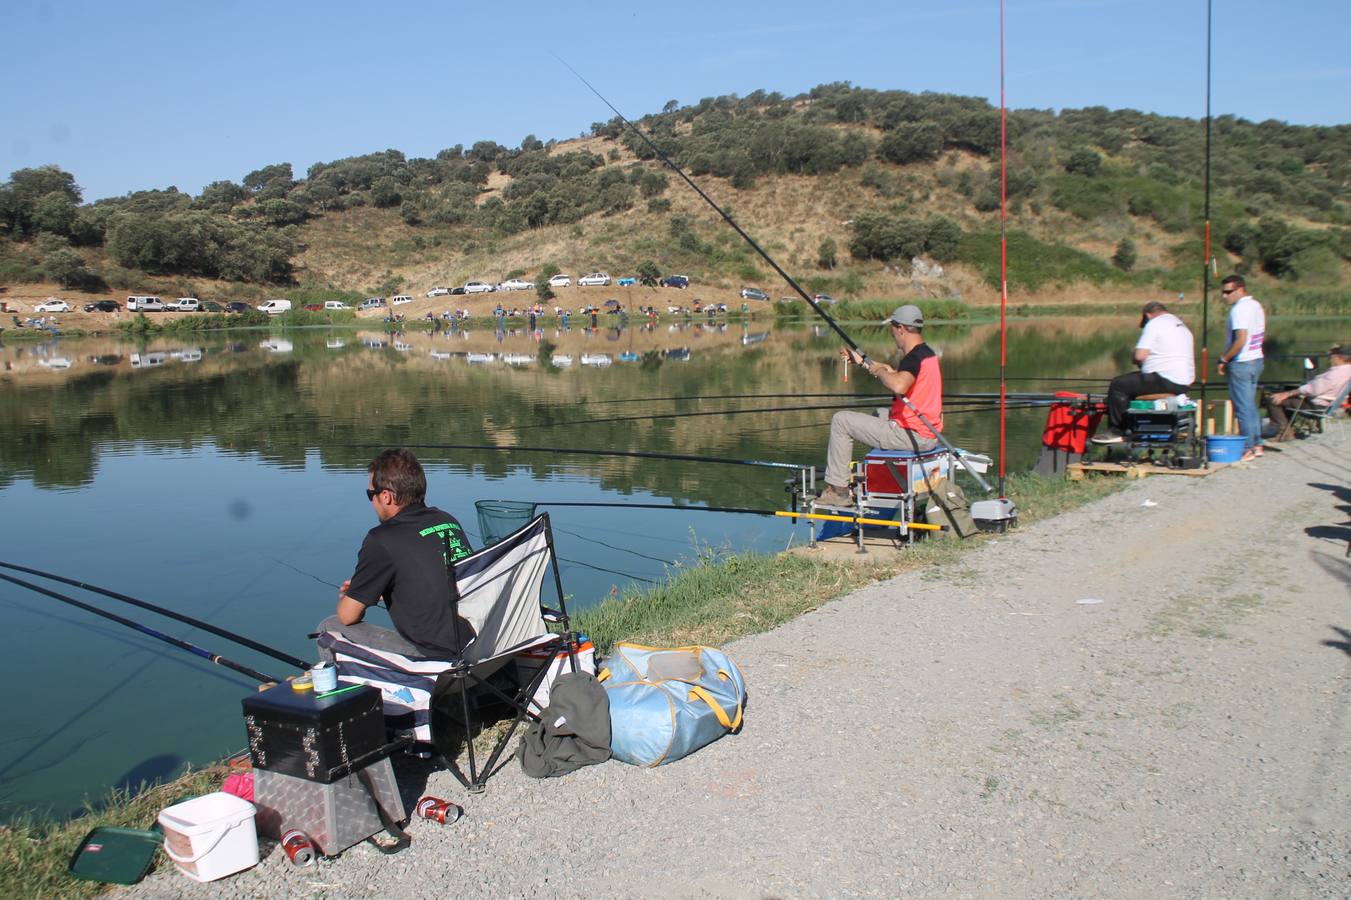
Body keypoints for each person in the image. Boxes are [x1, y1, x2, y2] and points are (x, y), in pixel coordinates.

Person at [317, 448, 474, 662]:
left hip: (438, 658)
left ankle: (340, 692)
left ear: (386, 496)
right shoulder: (446, 520)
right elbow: (441, 578)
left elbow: (347, 616)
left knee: (329, 626)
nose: (372, 502)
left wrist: (354, 595)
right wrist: (377, 589)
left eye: (370, 495)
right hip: (474, 643)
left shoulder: (381, 540)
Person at [818, 305, 942, 507]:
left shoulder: (913, 358)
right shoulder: (926, 353)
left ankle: (838, 490)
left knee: (841, 420)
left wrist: (881, 372)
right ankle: (879, 474)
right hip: (928, 433)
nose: (892, 335)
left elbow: (898, 384)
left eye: (892, 329)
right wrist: (863, 362)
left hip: (912, 436)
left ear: (901, 328)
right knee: (879, 414)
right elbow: (897, 374)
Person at [1091, 301, 1195, 444]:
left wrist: (1135, 358)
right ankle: (1134, 428)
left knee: (1118, 384)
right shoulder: (1180, 325)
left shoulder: (1154, 324)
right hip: (1184, 382)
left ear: (1147, 316)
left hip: (1166, 379)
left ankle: (1117, 431)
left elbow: (1140, 356)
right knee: (1131, 381)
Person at [1217, 274, 1266, 461]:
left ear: (1240, 289)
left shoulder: (1240, 309)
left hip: (1241, 363)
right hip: (1256, 360)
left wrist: (1223, 359)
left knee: (1243, 407)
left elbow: (1241, 339)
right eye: (1223, 292)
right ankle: (1257, 443)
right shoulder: (1256, 305)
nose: (1224, 296)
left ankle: (1247, 448)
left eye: (1228, 292)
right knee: (1250, 405)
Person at [1264, 345, 1351, 440]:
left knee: (1272, 399)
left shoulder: (1335, 374)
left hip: (1315, 407)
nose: (1329, 359)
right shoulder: (1347, 370)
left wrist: (1287, 393)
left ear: (1338, 358)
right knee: (1285, 394)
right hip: (1328, 404)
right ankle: (1285, 429)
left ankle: (1285, 432)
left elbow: (1313, 389)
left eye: (1331, 356)